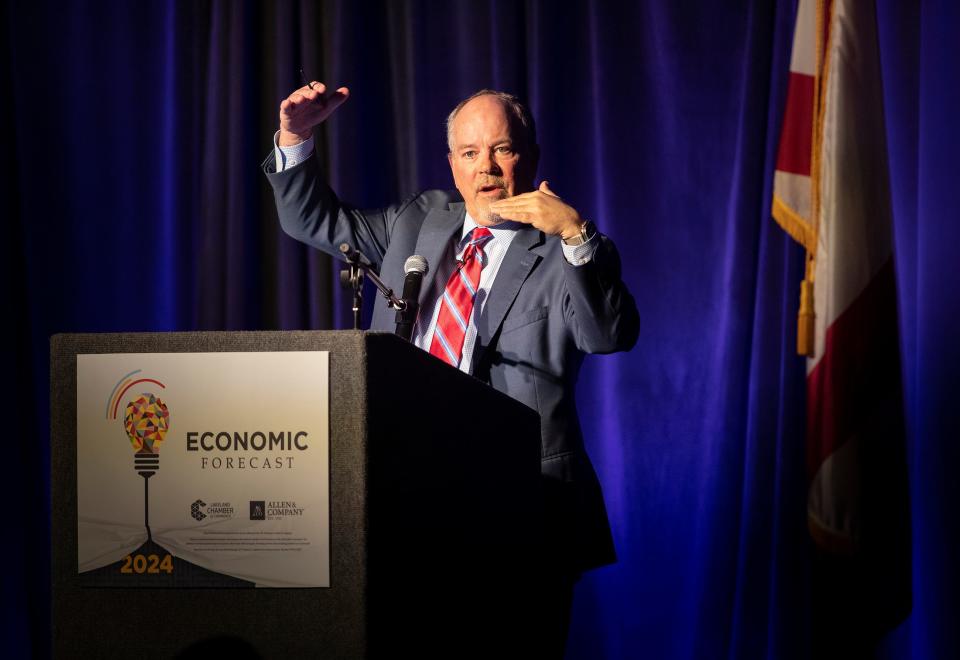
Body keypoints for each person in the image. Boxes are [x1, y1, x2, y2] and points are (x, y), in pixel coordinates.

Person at [263, 81, 639, 653]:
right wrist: (295, 136)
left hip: (519, 507)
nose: (486, 168)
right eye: (470, 153)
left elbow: (608, 335)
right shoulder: (420, 221)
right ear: (452, 164)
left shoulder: (568, 251)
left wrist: (574, 233)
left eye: (502, 150)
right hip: (404, 493)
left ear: (530, 157)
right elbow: (316, 223)